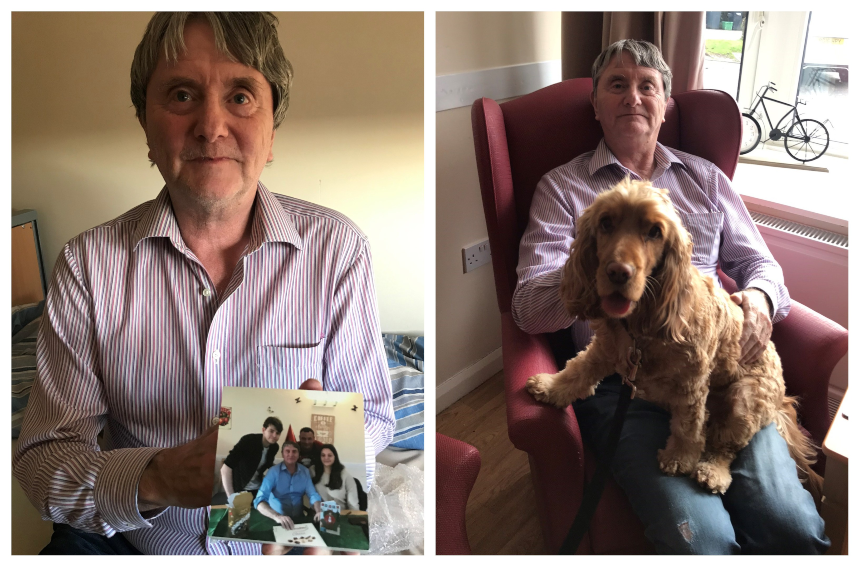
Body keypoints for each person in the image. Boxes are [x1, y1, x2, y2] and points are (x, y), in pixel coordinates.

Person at [13, 12, 394, 555]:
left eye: (240, 95)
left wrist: (318, 477)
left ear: (272, 130)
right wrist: (158, 477)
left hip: (282, 544)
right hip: (134, 541)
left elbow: (375, 416)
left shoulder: (338, 249)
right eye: (183, 95)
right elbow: (42, 461)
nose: (211, 125)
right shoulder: (86, 265)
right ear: (146, 127)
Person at [512, 39, 828, 554]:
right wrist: (594, 268)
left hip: (723, 370)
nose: (633, 97)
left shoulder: (705, 179)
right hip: (623, 385)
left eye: (647, 86)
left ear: (665, 104)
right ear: (595, 105)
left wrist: (759, 303)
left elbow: (762, 266)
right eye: (617, 84)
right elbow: (527, 308)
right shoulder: (562, 188)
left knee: (791, 528)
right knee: (701, 543)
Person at [253, 442, 322, 529]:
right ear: (282, 453)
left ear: (298, 454)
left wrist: (319, 511)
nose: (291, 454)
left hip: (298, 520)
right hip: (276, 521)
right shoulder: (273, 472)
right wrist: (277, 517)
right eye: (287, 451)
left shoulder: (305, 472)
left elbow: (313, 495)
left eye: (294, 451)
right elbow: (259, 500)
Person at [220, 417, 283, 500]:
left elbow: (268, 465)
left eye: (277, 433)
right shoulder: (248, 441)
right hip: (240, 488)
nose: (274, 435)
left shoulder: (274, 447)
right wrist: (231, 497)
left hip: (258, 488)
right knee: (242, 512)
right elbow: (226, 468)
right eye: (271, 431)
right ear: (263, 430)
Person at [310, 444, 360, 511]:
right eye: (323, 455)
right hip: (319, 514)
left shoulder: (345, 475)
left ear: (335, 457)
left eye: (329, 455)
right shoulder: (313, 471)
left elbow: (353, 504)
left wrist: (355, 518)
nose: (326, 458)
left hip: (340, 514)